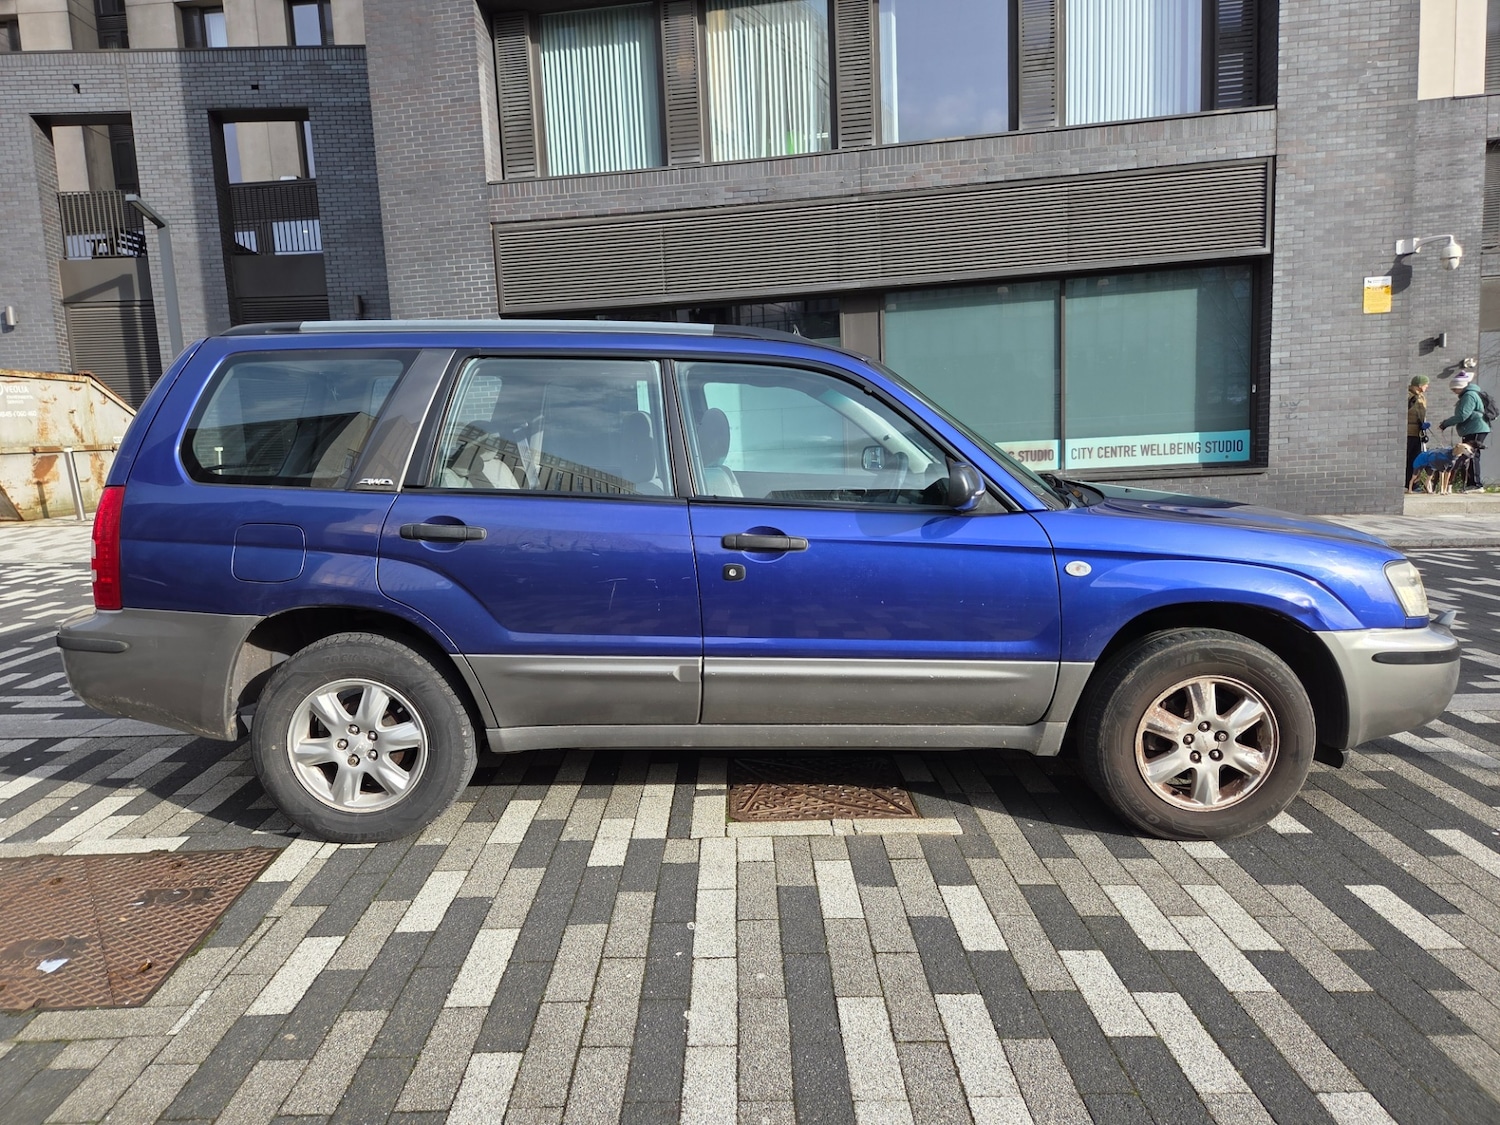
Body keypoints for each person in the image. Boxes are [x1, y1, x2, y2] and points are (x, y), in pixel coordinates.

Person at [1439, 359, 1489, 489]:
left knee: (1471, 455)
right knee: (1469, 456)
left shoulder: (1469, 396)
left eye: (1454, 389)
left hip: (1475, 428)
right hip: (1473, 428)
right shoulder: (1470, 395)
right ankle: (1471, 483)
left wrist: (1446, 423)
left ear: (1460, 386)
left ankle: (1475, 485)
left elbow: (1462, 415)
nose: (1454, 391)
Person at [1406, 375, 1429, 489]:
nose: (1427, 387)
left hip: (1418, 432)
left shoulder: (1422, 397)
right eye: (1426, 384)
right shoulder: (1408, 395)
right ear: (1419, 385)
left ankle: (1414, 483)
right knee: (1408, 458)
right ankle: (1407, 483)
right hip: (1408, 432)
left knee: (1416, 460)